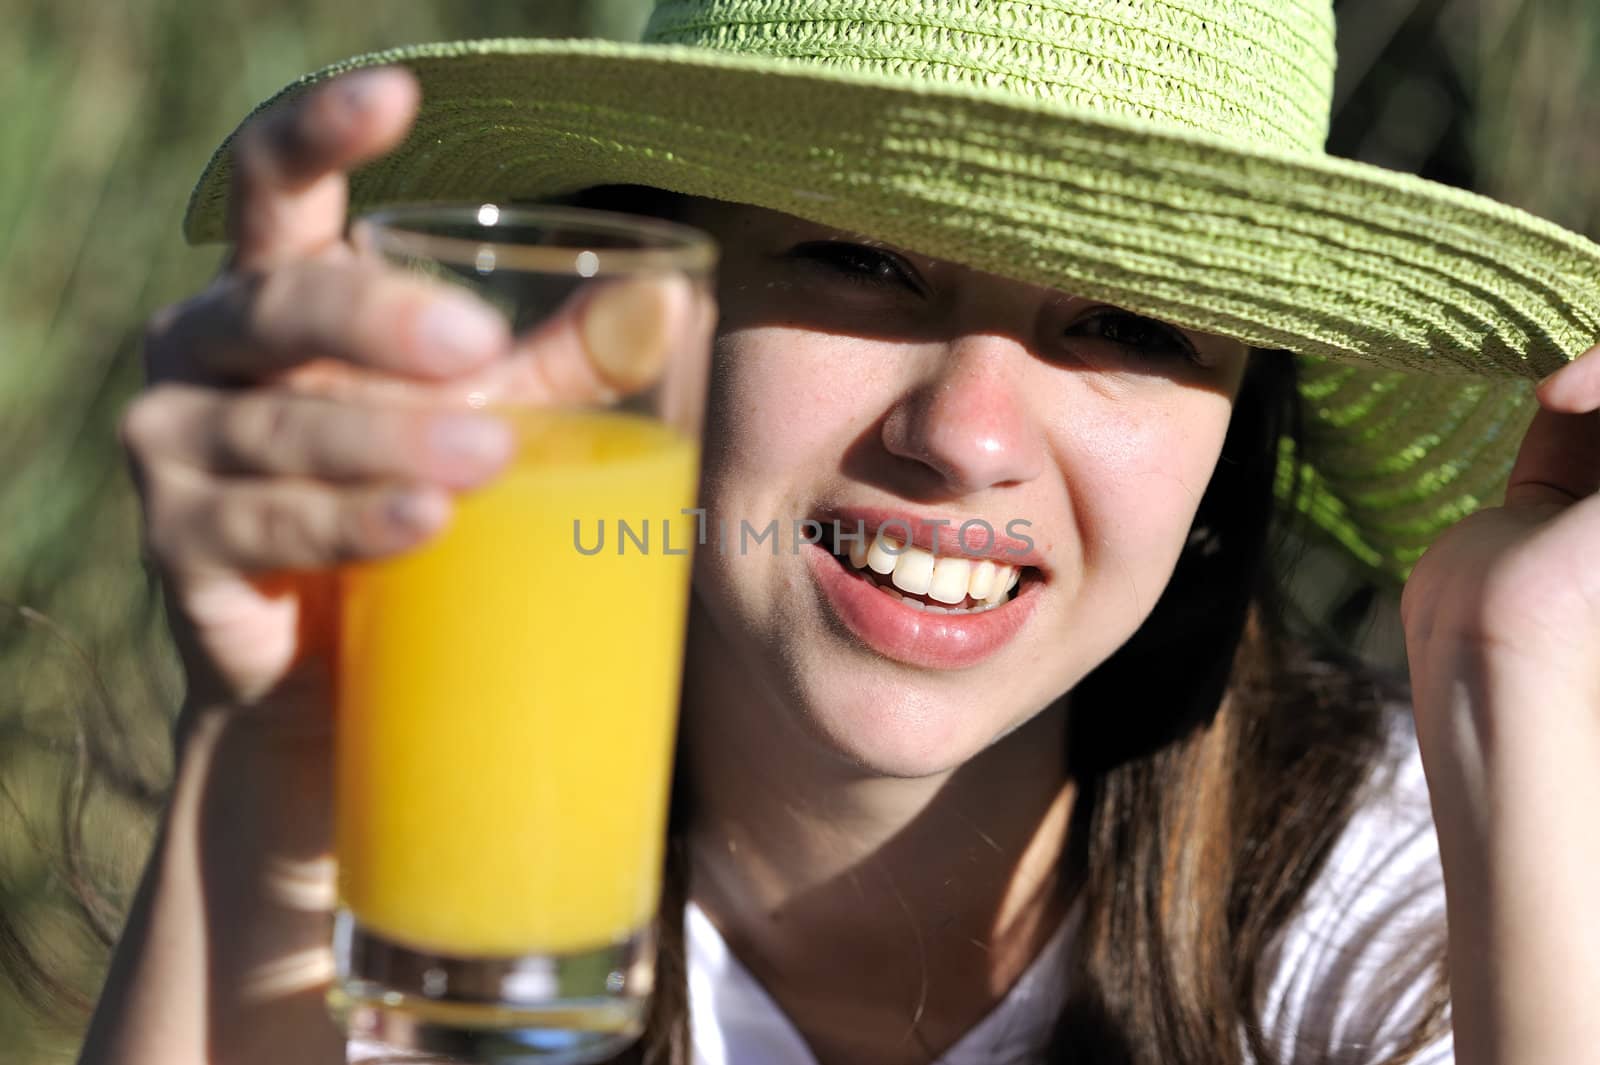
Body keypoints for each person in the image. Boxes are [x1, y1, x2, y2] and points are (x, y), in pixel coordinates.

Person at [72, 2, 1600, 1063]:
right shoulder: (445, 901)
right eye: (862, 260)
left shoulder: (1408, 919)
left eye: (1129, 322)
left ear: (1237, 437)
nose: (966, 433)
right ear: (640, 313)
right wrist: (267, 763)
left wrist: (1512, 696)